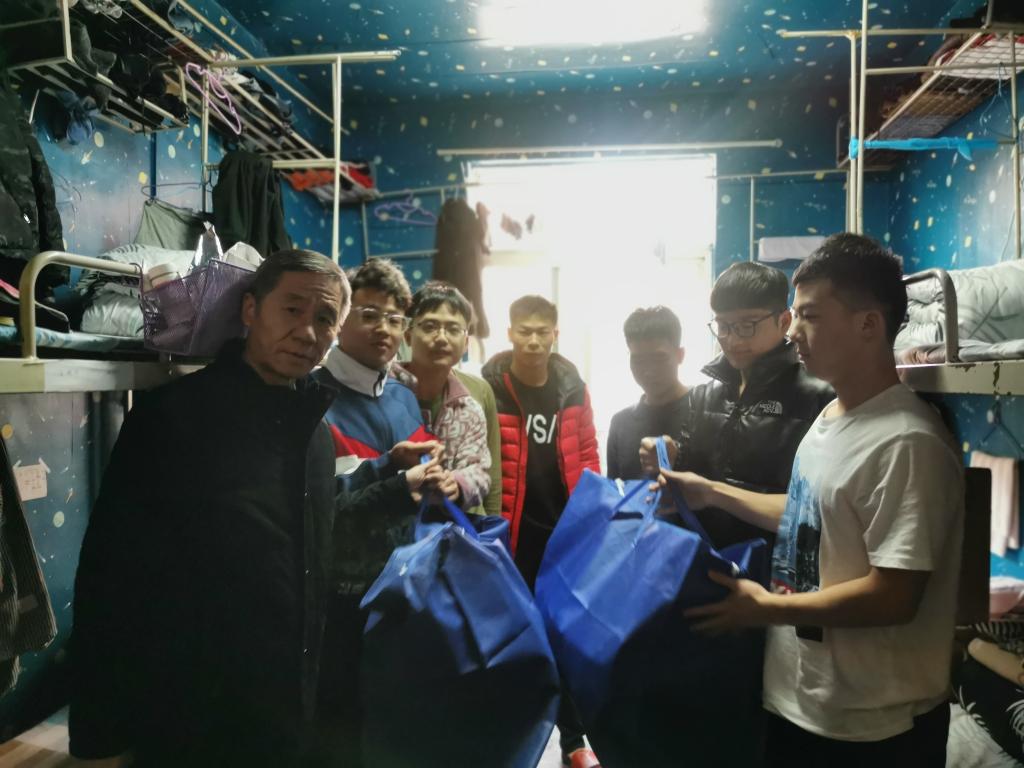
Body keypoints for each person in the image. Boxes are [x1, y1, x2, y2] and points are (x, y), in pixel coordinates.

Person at [69, 250, 441, 768]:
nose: (307, 331)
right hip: (189, 716)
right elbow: (110, 578)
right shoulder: (174, 419)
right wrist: (99, 737)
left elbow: (310, 543)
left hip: (285, 715)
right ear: (250, 310)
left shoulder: (313, 432)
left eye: (324, 318)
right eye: (291, 309)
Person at [659, 234, 964, 766]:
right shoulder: (834, 416)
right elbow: (811, 516)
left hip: (873, 725)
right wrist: (711, 492)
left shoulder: (907, 441)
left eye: (810, 316)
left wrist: (766, 608)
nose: (793, 331)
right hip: (802, 700)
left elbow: (894, 595)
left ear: (868, 324)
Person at [312, 258, 440, 768]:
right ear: (341, 319)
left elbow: (412, 493)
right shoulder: (312, 397)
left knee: (390, 721)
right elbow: (320, 509)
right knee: (338, 726)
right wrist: (395, 480)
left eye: (394, 318)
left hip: (399, 587)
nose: (384, 329)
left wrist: (436, 482)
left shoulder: (403, 399)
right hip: (339, 597)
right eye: (368, 314)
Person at [482, 294, 600, 768]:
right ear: (510, 333)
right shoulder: (489, 387)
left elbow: (588, 453)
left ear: (555, 335)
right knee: (512, 638)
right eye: (524, 331)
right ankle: (512, 742)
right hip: (510, 537)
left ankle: (574, 739)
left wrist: (591, 519)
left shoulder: (573, 387)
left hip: (564, 534)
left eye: (542, 332)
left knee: (567, 638)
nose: (533, 341)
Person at [643, 261, 832, 550]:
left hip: (777, 566)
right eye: (722, 326)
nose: (731, 340)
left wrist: (713, 493)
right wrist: (671, 455)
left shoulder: (818, 397)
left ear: (783, 321)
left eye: (746, 326)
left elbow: (819, 510)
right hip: (708, 557)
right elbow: (695, 472)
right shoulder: (705, 394)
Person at [392, 281, 491, 511]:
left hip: (446, 527)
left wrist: (457, 483)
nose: (442, 338)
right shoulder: (385, 392)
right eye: (430, 326)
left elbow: (479, 471)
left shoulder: (469, 410)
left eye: (453, 329)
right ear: (408, 335)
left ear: (465, 343)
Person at [606, 306, 689, 480]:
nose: (648, 371)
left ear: (680, 355)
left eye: (659, 359)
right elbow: (614, 490)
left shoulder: (705, 414)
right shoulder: (621, 423)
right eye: (638, 360)